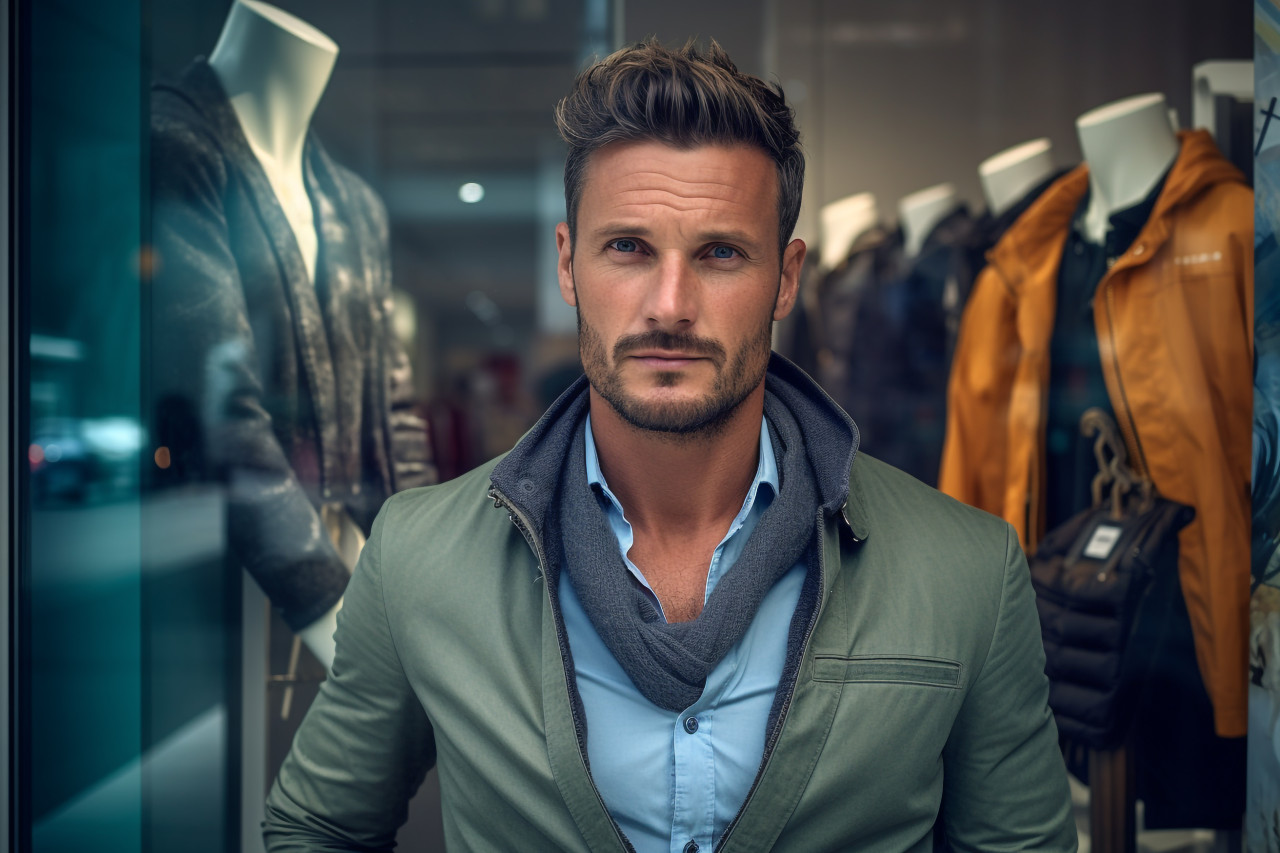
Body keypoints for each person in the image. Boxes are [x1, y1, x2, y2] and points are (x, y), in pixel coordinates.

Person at [263, 39, 1075, 852]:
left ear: (786, 278)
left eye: (721, 253)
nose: (671, 304)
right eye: (629, 248)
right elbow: (315, 827)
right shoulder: (419, 556)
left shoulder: (966, 570)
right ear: (568, 264)